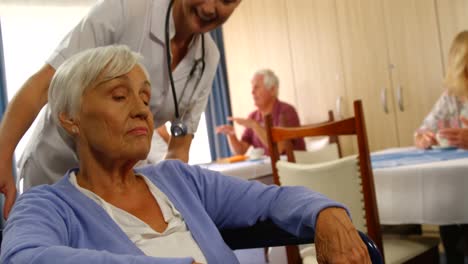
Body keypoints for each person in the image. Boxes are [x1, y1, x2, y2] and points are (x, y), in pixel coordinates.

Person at [0, 45, 370, 264]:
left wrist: (328, 214)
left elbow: (274, 199)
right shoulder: (48, 205)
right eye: (119, 95)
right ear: (70, 118)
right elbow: (23, 258)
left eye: (145, 97)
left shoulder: (178, 179)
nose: (143, 110)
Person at [0, 0, 242, 218]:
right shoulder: (127, 9)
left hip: (115, 180)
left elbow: (180, 146)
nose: (210, 8)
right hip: (55, 165)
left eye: (227, 0)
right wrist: (2, 155)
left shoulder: (208, 57)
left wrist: (174, 208)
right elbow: (43, 86)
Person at [414, 31, 468, 264]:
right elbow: (423, 129)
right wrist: (423, 137)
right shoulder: (452, 97)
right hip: (457, 183)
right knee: (446, 208)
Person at [216, 69, 306, 156]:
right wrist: (232, 136)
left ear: (272, 90)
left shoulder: (287, 111)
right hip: (270, 169)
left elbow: (279, 149)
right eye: (252, 88)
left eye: (257, 87)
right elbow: (241, 151)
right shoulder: (253, 116)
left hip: (293, 168)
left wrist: (255, 125)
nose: (252, 92)